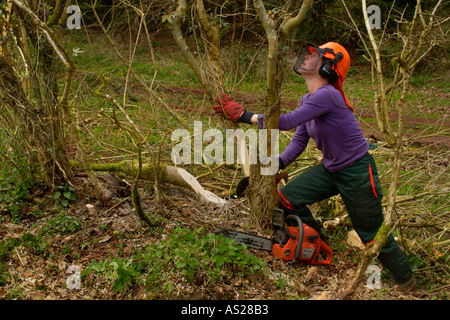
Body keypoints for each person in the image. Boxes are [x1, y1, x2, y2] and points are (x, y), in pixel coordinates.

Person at [213, 42, 416, 290]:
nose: (307, 58)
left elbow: (284, 122)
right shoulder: (308, 98)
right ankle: (316, 243)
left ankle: (406, 282)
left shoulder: (328, 94)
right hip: (330, 170)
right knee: (286, 198)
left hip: (357, 172)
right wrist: (277, 165)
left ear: (329, 68)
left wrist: (246, 116)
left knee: (370, 234)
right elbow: (299, 139)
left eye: (315, 57)